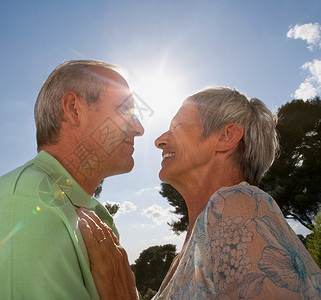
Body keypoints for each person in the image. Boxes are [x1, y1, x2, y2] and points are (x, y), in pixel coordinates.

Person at [78, 87, 321, 300]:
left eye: (178, 126)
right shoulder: (194, 244)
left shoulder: (238, 204)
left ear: (226, 136)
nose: (160, 141)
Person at [0, 60, 144, 299]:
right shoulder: (23, 208)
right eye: (125, 110)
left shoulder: (74, 207)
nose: (139, 128)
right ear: (74, 108)